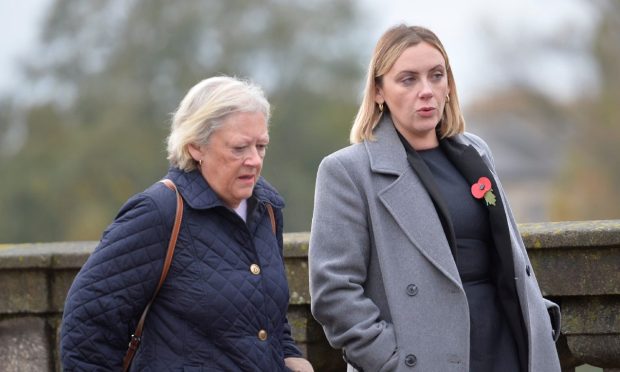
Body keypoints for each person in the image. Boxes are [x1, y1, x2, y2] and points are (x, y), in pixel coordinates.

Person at [308, 25, 561, 372]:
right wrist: (392, 361)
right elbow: (334, 292)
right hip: (425, 358)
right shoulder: (347, 171)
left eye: (436, 76)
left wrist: (541, 320)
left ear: (448, 84)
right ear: (379, 91)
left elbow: (508, 256)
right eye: (408, 79)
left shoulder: (476, 153)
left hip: (508, 345)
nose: (426, 91)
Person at [60, 76, 314, 372]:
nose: (254, 160)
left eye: (261, 146)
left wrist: (289, 354)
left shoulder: (267, 208)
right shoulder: (158, 211)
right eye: (240, 148)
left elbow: (264, 311)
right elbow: (86, 330)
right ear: (196, 147)